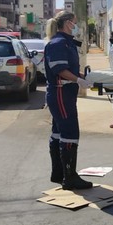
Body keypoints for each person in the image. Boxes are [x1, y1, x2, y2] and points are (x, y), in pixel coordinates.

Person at [44, 10, 94, 190]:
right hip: (61, 93)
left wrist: (84, 76)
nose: (76, 25)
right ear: (67, 23)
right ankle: (70, 177)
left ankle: (59, 173)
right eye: (74, 22)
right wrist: (79, 80)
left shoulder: (65, 43)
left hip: (64, 93)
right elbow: (60, 70)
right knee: (70, 132)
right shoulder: (58, 43)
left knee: (59, 133)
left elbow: (69, 69)